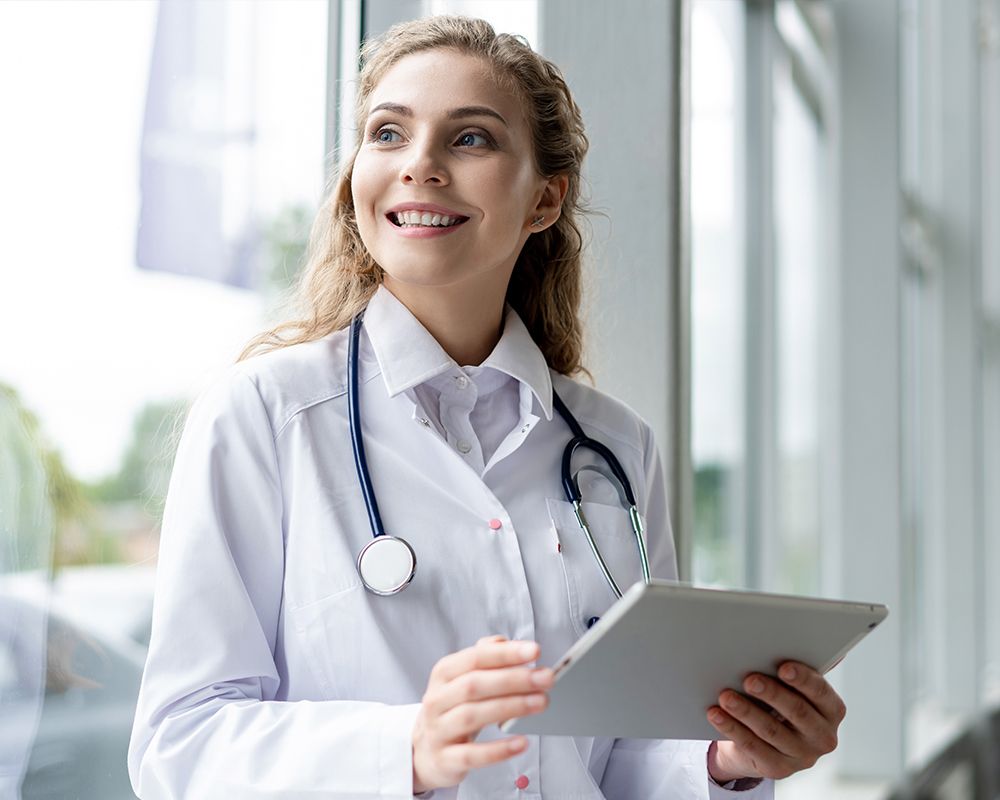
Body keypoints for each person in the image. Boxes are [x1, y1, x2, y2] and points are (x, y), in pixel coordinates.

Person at [127, 15, 846, 799]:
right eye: (388, 133)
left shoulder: (614, 449)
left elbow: (618, 756)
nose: (421, 165)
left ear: (544, 200)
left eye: (470, 139)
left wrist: (724, 761)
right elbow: (180, 743)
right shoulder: (264, 416)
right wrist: (403, 748)